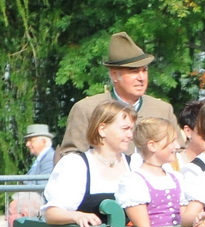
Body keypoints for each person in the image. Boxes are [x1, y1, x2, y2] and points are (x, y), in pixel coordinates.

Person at [57, 34, 175, 162]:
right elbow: (71, 157)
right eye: (134, 71)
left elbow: (177, 154)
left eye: (144, 70)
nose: (141, 78)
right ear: (114, 75)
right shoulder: (87, 109)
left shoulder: (163, 110)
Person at [42, 101, 136, 227]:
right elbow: (52, 213)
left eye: (131, 129)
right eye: (125, 129)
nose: (130, 135)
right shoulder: (75, 165)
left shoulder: (135, 164)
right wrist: (77, 216)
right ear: (102, 130)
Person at [118, 117, 184, 227]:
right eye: (172, 141)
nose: (177, 146)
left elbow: (185, 218)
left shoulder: (176, 177)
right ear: (152, 145)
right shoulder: (134, 181)